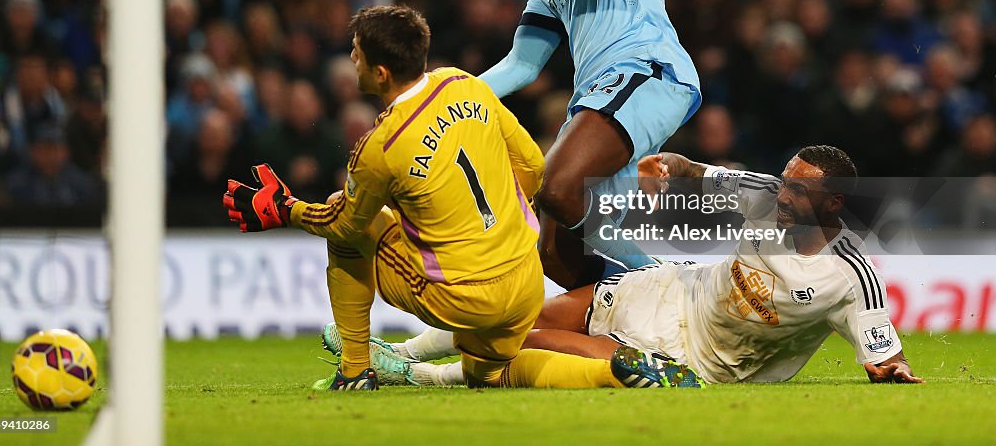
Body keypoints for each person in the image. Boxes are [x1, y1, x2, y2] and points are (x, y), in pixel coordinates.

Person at [222, 5, 701, 391]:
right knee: (491, 375)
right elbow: (534, 167)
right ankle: (610, 373)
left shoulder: (380, 147)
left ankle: (355, 369)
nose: (352, 60)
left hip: (465, 297)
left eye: (356, 53)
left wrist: (286, 209)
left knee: (354, 227)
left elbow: (345, 224)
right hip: (525, 280)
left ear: (382, 72)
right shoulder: (465, 84)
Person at [351, 145, 923, 386]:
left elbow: (884, 355)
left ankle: (418, 376)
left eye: (801, 190)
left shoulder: (849, 278)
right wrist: (666, 167)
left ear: (834, 205)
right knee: (522, 316)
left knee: (535, 344)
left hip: (698, 360)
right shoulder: (761, 192)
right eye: (788, 180)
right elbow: (693, 170)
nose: (785, 194)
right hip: (672, 291)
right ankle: (400, 352)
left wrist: (891, 370)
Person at [471, 0, 701, 287]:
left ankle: (666, 284)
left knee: (557, 187)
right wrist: (447, 94)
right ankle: (641, 324)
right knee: (554, 254)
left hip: (646, 68)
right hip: (598, 95)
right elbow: (523, 64)